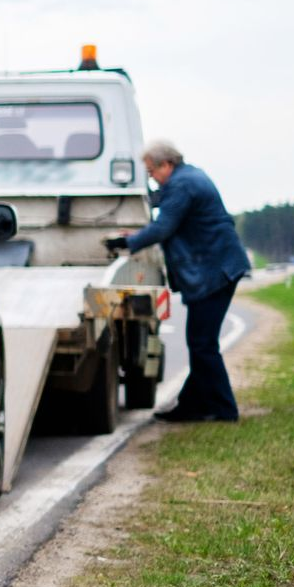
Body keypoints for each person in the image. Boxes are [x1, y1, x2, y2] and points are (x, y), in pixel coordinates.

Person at [105, 141, 250, 423]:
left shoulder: (182, 185)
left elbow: (164, 226)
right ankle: (192, 406)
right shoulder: (188, 178)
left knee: (202, 344)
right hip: (219, 268)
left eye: (151, 172)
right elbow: (162, 204)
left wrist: (127, 242)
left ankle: (224, 410)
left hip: (214, 272)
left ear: (166, 165)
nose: (151, 178)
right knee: (201, 342)